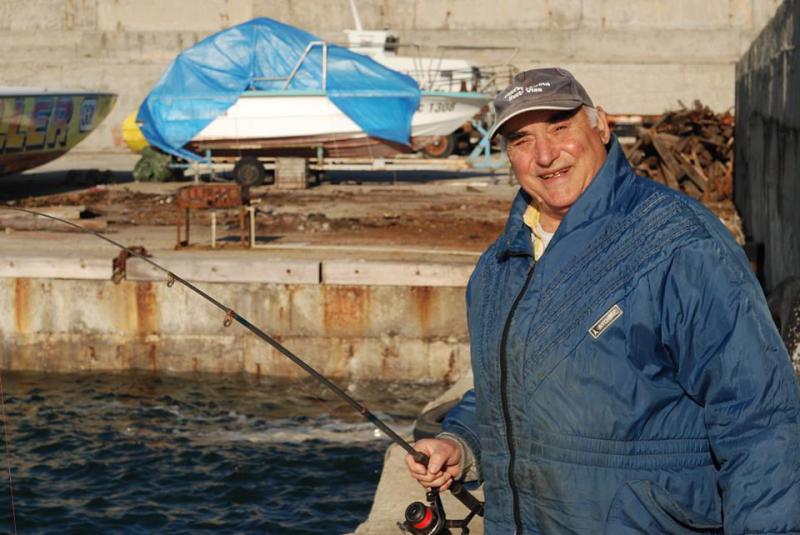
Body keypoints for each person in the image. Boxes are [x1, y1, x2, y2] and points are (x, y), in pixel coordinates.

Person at [405, 67, 800, 534]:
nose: (545, 155)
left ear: (602, 125)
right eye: (522, 140)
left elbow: (759, 419)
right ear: (508, 154)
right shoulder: (497, 268)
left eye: (560, 127)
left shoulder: (680, 244)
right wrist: (462, 443)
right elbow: (511, 385)